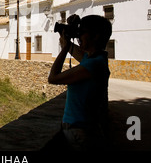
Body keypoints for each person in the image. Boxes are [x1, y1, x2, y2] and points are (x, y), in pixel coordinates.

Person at [48, 14, 112, 151]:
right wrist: (66, 31)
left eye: (81, 33)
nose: (78, 37)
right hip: (84, 129)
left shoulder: (93, 65)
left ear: (96, 36)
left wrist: (64, 48)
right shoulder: (95, 59)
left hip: (81, 132)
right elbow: (73, 48)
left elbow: (53, 78)